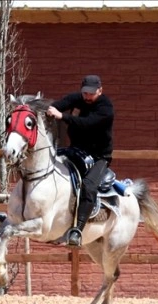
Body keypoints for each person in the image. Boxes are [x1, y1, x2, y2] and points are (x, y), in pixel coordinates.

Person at [46, 74, 115, 247]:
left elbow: (87, 123)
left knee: (88, 185)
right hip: (76, 150)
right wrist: (48, 109)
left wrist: (62, 117)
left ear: (100, 90)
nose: (87, 97)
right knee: (49, 166)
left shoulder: (106, 109)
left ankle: (77, 229)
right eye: (85, 93)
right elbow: (58, 105)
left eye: (91, 93)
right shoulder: (77, 99)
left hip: (99, 156)